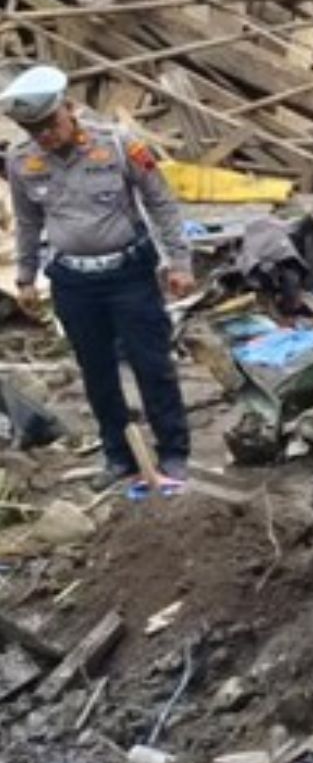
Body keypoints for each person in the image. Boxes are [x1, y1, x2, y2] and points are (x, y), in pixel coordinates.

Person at [2, 67, 196, 492]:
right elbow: (29, 222)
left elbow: (162, 203)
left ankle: (173, 452)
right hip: (73, 282)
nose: (45, 136)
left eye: (50, 125)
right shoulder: (21, 161)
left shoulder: (119, 145)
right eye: (33, 130)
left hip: (129, 275)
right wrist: (25, 276)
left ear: (69, 109)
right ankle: (118, 456)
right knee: (97, 372)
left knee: (152, 366)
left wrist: (179, 263)